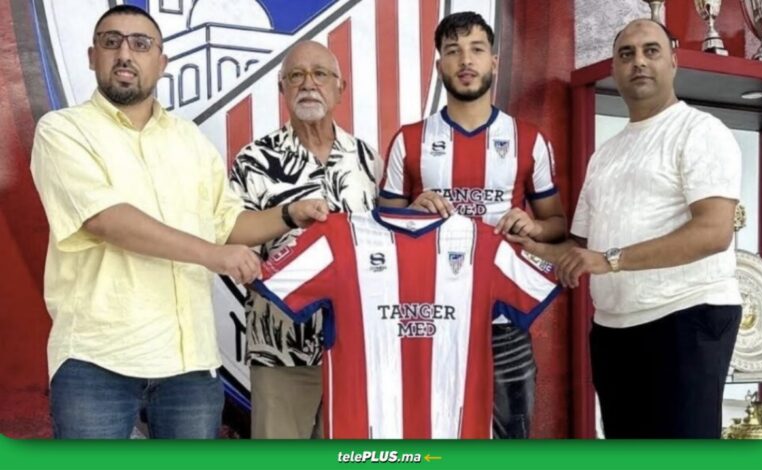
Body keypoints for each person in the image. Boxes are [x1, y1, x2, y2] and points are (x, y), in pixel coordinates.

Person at [29, 5, 327, 439]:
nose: (125, 54)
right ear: (93, 57)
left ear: (162, 61)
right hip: (98, 363)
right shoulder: (62, 130)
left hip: (190, 367)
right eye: (112, 42)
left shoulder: (189, 139)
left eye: (140, 44)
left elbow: (227, 224)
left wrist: (287, 214)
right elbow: (105, 219)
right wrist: (213, 255)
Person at [515, 19, 742, 438]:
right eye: (627, 54)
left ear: (673, 62)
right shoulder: (606, 155)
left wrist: (611, 260)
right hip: (614, 331)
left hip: (686, 319)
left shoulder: (701, 131)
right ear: (614, 69)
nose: (639, 61)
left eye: (651, 51)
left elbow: (714, 232)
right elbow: (580, 250)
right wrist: (526, 240)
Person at [379, 11, 566, 439]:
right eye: (454, 51)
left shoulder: (529, 139)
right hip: (428, 318)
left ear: (494, 61)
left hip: (504, 323)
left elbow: (557, 224)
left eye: (477, 49)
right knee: (426, 438)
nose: (466, 60)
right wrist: (410, 211)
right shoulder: (409, 140)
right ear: (439, 64)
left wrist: (534, 227)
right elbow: (380, 233)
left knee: (510, 443)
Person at [229, 40, 382, 439]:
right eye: (296, 75)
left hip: (355, 350)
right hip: (280, 350)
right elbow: (231, 235)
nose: (308, 83)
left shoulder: (368, 161)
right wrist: (287, 221)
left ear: (340, 88)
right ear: (282, 88)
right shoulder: (253, 160)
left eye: (320, 74)